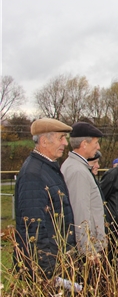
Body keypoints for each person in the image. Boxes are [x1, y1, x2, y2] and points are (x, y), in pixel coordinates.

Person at [13, 118, 75, 279]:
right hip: (47, 266)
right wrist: (48, 272)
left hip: (57, 259)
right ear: (44, 141)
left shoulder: (47, 168)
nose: (65, 143)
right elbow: (34, 227)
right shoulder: (33, 174)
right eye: (61, 138)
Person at [61, 122, 107, 257]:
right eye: (96, 143)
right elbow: (80, 211)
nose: (98, 146)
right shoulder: (77, 171)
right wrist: (87, 249)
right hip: (88, 249)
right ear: (84, 144)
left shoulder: (78, 167)